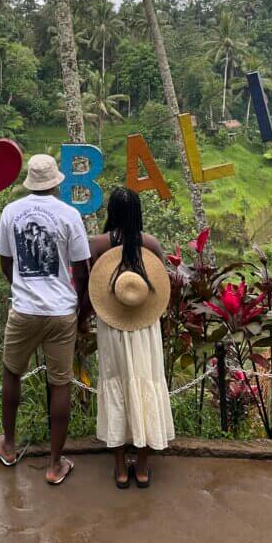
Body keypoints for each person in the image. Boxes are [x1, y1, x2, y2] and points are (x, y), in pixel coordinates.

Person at [0, 153, 90, 485]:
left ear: (30, 181)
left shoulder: (11, 212)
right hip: (61, 312)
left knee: (12, 372)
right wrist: (81, 308)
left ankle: (7, 444)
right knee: (59, 383)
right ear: (57, 182)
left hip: (24, 310)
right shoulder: (70, 215)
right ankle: (55, 464)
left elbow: (5, 260)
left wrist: (20, 285)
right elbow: (81, 269)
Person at [88, 187, 174, 488]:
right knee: (144, 386)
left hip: (112, 326)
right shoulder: (149, 243)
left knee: (116, 386)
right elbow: (162, 285)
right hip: (144, 324)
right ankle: (142, 467)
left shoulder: (97, 244)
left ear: (111, 212)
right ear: (138, 213)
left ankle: (120, 469)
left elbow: (91, 286)